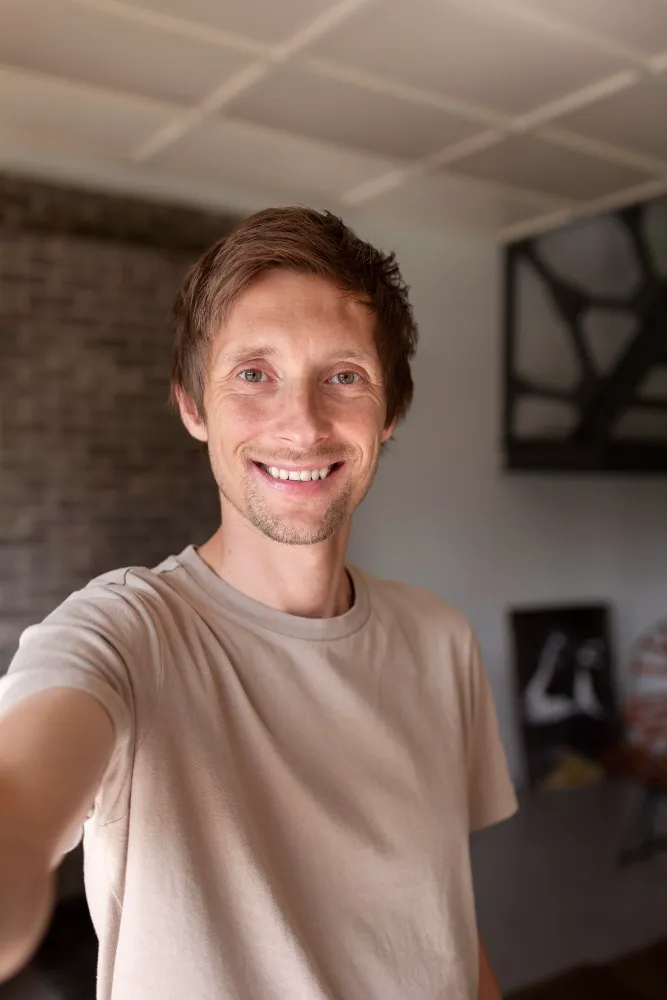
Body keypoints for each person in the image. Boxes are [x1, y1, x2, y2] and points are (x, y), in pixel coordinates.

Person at [0, 207, 517, 1000]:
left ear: (390, 414)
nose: (302, 425)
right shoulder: (124, 636)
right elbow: (23, 792)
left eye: (343, 376)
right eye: (254, 374)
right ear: (192, 408)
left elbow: (443, 912)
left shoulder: (440, 637)